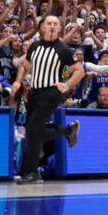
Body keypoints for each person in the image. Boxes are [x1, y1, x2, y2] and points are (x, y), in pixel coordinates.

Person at [13, 15, 84, 183]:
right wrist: (18, 81)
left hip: (52, 92)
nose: (52, 26)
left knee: (32, 130)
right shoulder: (34, 46)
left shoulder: (63, 49)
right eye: (49, 23)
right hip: (34, 93)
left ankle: (30, 173)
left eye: (56, 24)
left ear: (59, 29)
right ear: (42, 27)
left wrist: (67, 85)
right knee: (33, 132)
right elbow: (25, 66)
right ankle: (67, 131)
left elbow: (79, 71)